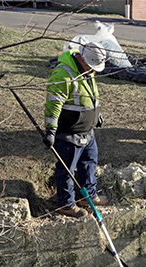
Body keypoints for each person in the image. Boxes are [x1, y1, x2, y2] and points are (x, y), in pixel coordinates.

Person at [44, 42, 109, 218]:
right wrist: (50, 130)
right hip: (69, 132)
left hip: (87, 130)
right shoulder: (63, 75)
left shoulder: (87, 69)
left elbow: (89, 94)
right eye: (92, 65)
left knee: (89, 162)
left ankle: (87, 195)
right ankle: (66, 203)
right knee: (66, 169)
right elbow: (53, 104)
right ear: (82, 58)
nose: (93, 69)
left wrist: (97, 114)